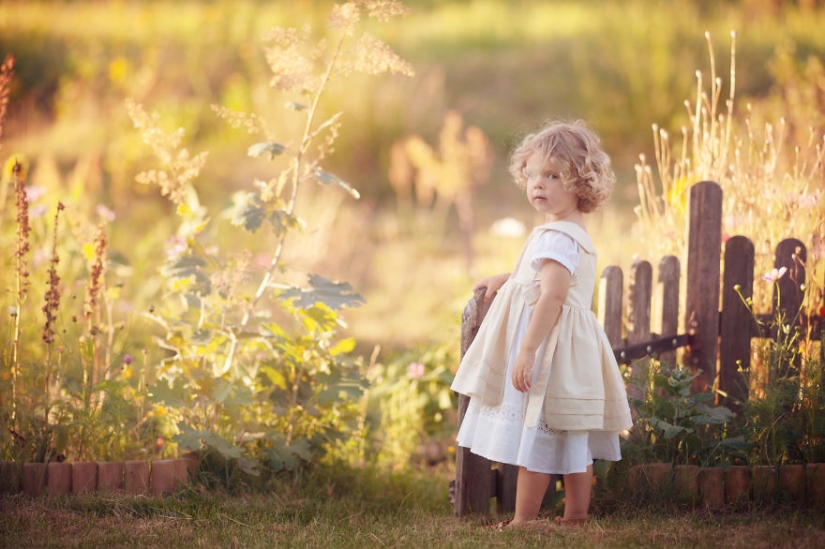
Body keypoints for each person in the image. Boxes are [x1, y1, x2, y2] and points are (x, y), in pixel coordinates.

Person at [451, 119, 633, 529]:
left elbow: (552, 295)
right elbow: (543, 280)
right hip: (572, 348)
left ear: (580, 184)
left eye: (553, 176)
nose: (539, 184)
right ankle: (576, 515)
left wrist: (527, 350)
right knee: (572, 439)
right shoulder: (566, 232)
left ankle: (522, 520)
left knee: (535, 435)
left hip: (548, 348)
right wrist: (507, 279)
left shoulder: (557, 237)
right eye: (533, 174)